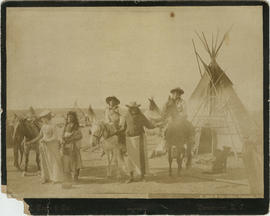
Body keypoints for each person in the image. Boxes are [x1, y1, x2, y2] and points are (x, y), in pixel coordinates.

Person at [26, 110, 64, 184]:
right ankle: (46, 177)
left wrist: (47, 140)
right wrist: (30, 142)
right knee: (44, 162)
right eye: (42, 118)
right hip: (44, 147)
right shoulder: (43, 126)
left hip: (52, 146)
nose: (42, 120)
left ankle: (55, 178)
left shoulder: (53, 126)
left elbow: (55, 137)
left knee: (53, 161)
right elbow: (39, 136)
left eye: (43, 118)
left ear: (47, 118)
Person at [123, 101, 157, 183]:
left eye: (135, 108)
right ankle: (131, 177)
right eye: (131, 108)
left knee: (141, 158)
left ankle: (142, 176)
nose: (133, 110)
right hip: (129, 139)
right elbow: (124, 128)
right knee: (130, 159)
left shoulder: (141, 116)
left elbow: (149, 125)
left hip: (139, 139)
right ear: (129, 109)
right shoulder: (127, 116)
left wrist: (156, 125)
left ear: (137, 108)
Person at [61, 111, 83, 183]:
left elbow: (80, 136)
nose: (69, 118)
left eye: (71, 117)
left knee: (75, 161)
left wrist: (73, 139)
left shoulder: (76, 126)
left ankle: (76, 176)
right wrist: (63, 140)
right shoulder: (65, 126)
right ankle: (68, 177)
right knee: (67, 161)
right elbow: (62, 135)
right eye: (68, 117)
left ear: (74, 118)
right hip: (66, 146)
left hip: (73, 146)